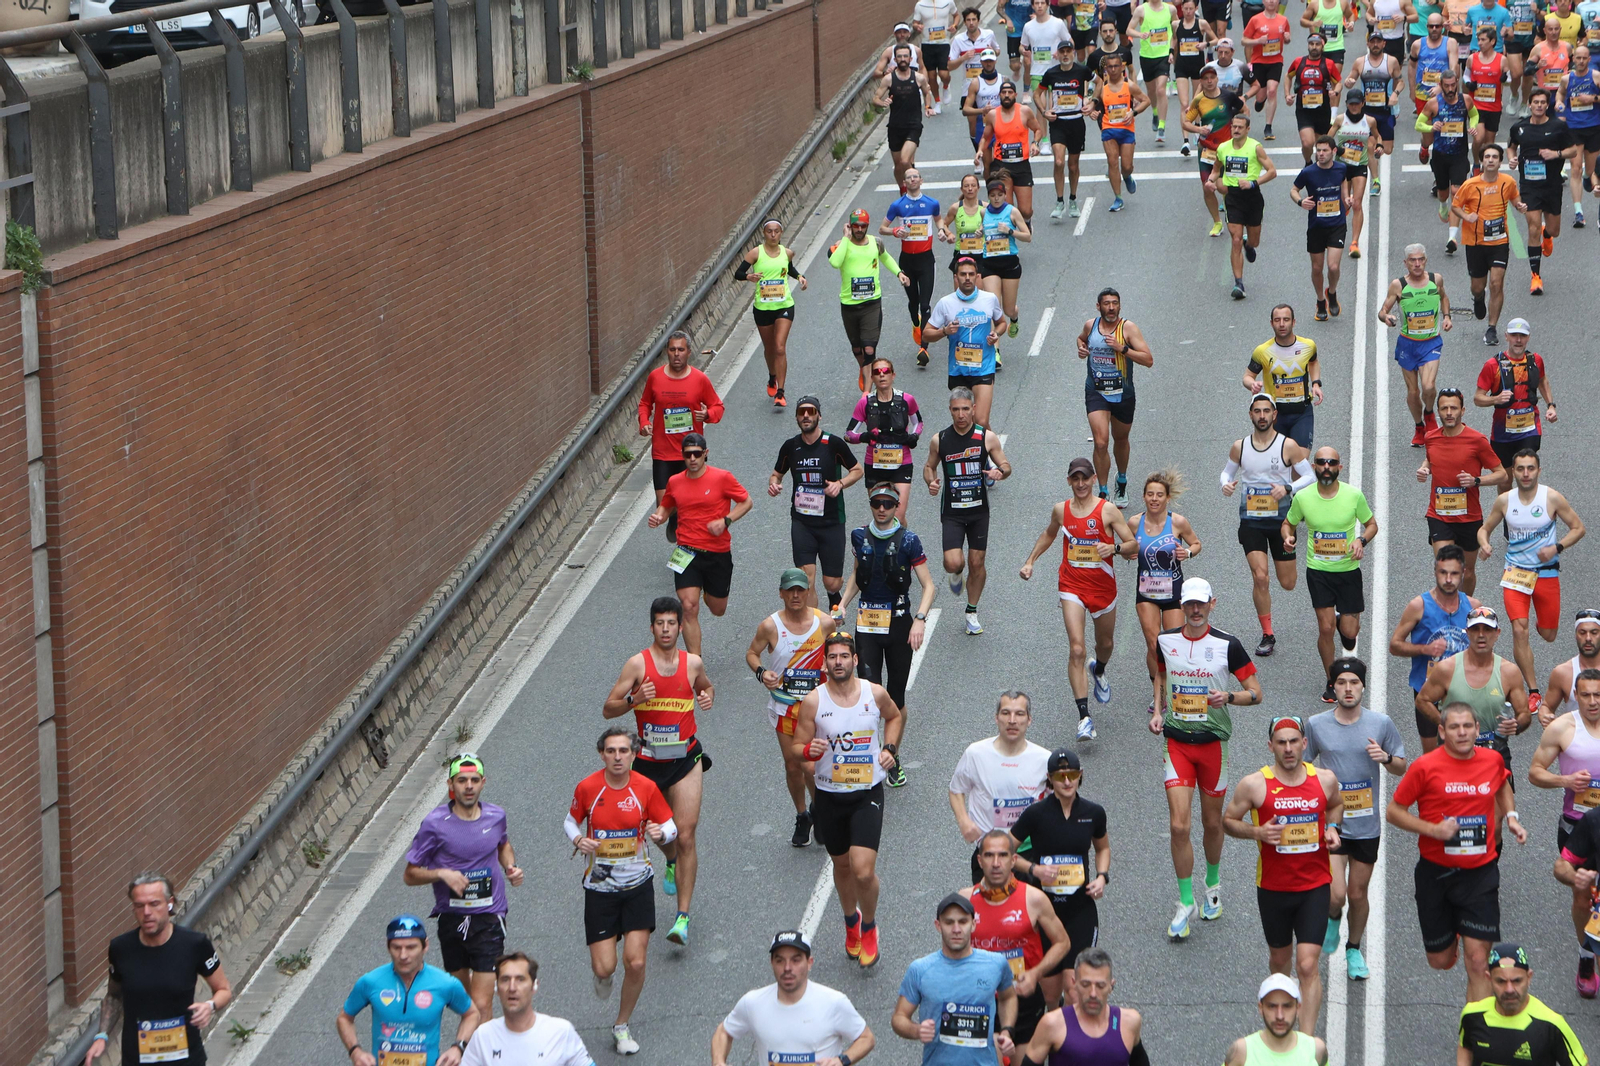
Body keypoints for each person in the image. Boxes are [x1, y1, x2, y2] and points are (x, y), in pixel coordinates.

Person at [1387, 698, 1527, 1004]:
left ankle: (1474, 1041)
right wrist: (1433, 830)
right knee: (1439, 960)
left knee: (1478, 963)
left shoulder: (1491, 761)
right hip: (1436, 873)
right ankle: (1457, 932)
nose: (1462, 733)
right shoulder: (1425, 767)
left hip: (1480, 873)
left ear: (1477, 729)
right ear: (1442, 730)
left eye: (1467, 726)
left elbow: (1502, 784)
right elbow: (1394, 811)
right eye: (1454, 727)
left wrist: (1512, 818)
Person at [1152, 578, 1264, 938]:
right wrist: (1158, 710)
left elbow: (1256, 693)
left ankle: (1212, 885)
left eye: (1201, 604)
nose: (1195, 610)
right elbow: (1160, 673)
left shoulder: (1227, 645)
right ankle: (1185, 901)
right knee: (1179, 826)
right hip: (1177, 743)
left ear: (1212, 604)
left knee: (1212, 824)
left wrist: (1228, 698)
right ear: (1182, 606)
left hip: (1213, 743)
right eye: (1189, 605)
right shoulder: (1165, 640)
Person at [600, 597, 715, 945]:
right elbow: (608, 709)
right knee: (660, 835)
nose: (666, 629)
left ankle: (682, 916)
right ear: (652, 627)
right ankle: (669, 861)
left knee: (686, 833)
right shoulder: (637, 664)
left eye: (671, 623)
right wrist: (634, 700)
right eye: (660, 623)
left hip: (685, 760)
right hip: (647, 764)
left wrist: (708, 696)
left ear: (681, 627)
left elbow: (705, 687)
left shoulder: (692, 663)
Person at [791, 633, 905, 967]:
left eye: (844, 656)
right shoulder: (814, 701)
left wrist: (890, 749)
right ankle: (851, 923)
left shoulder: (874, 693)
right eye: (832, 657)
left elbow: (894, 717)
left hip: (867, 792)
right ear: (824, 662)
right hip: (829, 795)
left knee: (863, 871)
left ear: (855, 661)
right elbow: (798, 748)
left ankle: (869, 926)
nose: (838, 662)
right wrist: (807, 752)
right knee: (842, 865)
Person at [1224, 715, 1342, 1033]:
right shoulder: (1255, 784)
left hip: (1315, 885)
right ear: (1271, 746)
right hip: (1273, 888)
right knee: (1280, 965)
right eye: (1281, 742)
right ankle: (1280, 1024)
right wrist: (1257, 833)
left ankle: (1305, 1040)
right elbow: (1228, 821)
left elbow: (1336, 805)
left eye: (1294, 742)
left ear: (1305, 743)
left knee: (1307, 965)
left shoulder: (1324, 780)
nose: (1288, 749)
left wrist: (1332, 827)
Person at [564, 728, 676, 1055]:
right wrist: (578, 840)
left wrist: (659, 832)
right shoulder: (588, 788)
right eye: (611, 751)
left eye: (623, 751)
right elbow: (570, 821)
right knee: (604, 968)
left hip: (638, 884)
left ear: (633, 755)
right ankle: (604, 974)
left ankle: (622, 1025)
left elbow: (671, 827)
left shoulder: (646, 788)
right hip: (599, 888)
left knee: (636, 962)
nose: (617, 757)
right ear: (602, 754)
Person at [1304, 658, 1409, 982]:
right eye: (1341, 683)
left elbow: (1402, 765)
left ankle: (1353, 948)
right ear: (1333, 688)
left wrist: (1386, 758)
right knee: (1335, 894)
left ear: (1363, 687)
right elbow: (1303, 766)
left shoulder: (1380, 723)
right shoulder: (1317, 724)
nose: (1348, 689)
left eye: (1354, 683)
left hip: (1366, 824)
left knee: (1358, 894)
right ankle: (1333, 917)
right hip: (1332, 823)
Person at [1020, 456, 1138, 741]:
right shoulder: (1061, 510)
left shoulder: (1107, 510)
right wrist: (1030, 561)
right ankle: (1084, 717)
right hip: (1071, 584)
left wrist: (1116, 548)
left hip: (1103, 589)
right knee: (1076, 649)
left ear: (1094, 479)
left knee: (1105, 644)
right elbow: (1049, 535)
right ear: (1069, 481)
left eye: (1086, 478)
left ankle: (1099, 669)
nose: (1081, 483)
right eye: (1076, 478)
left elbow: (1134, 544)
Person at [402, 753, 523, 1024]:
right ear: (451, 785)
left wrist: (511, 867)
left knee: (482, 1003)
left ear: (483, 783)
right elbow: (410, 875)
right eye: (462, 780)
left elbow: (503, 844)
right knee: (464, 1004)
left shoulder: (495, 816)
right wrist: (442, 874)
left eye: (474, 780)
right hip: (452, 918)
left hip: (489, 917)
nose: (468, 786)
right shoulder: (434, 824)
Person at [839, 482, 937, 788]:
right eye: (876, 503)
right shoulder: (858, 535)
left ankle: (892, 753)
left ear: (896, 507)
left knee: (895, 698)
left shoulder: (909, 540)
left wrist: (919, 619)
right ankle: (868, 756)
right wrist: (842, 603)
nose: (881, 509)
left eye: (888, 504)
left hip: (898, 625)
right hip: (866, 625)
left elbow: (929, 586)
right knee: (867, 696)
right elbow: (859, 573)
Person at [86, 873, 232, 1066]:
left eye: (154, 904)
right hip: (137, 1060)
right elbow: (113, 996)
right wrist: (102, 1036)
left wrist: (209, 1006)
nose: (146, 912)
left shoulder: (194, 944)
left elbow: (224, 990)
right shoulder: (121, 948)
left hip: (185, 1059)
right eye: (139, 906)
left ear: (169, 903)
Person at [1479, 450, 1586, 710]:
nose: (1525, 474)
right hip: (1515, 575)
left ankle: (1540, 622)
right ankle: (1533, 690)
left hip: (1546, 574)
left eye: (1530, 468)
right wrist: (1485, 544)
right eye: (1520, 469)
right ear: (1513, 472)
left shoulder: (1551, 498)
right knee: (1519, 629)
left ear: (1538, 470)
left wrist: (1557, 547)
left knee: (1549, 634)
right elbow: (1485, 528)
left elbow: (1578, 528)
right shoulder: (1505, 500)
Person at [1009, 748, 1111, 1000]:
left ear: (1080, 776)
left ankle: (1069, 1038)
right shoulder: (1036, 814)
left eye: (1072, 775)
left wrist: (1101, 877)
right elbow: (1005, 853)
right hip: (1044, 910)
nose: (1067, 781)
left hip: (1080, 909)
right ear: (1050, 778)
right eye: (1060, 776)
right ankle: (1052, 1031)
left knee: (1074, 988)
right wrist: (1034, 869)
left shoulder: (1093, 813)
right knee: (1050, 993)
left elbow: (1103, 847)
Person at [747, 569, 836, 847]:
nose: (796, 596)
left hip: (816, 706)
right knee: (793, 765)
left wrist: (829, 664)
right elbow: (752, 653)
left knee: (811, 766)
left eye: (801, 590)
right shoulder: (770, 626)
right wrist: (762, 673)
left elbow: (838, 651)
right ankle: (802, 815)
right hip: (785, 705)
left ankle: (819, 810)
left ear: (808, 593)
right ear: (781, 593)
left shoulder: (824, 623)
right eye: (790, 591)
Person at [1283, 447, 1380, 701]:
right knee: (1325, 628)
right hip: (1319, 572)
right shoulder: (1303, 498)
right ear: (1314, 467)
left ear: (1340, 467)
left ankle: (1343, 623)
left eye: (1332, 463)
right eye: (1321, 463)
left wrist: (1361, 541)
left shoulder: (1353, 495)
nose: (1326, 467)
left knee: (1350, 633)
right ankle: (1331, 680)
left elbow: (1372, 525)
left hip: (1348, 571)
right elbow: (1288, 523)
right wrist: (1288, 538)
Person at [1223, 393, 1315, 658]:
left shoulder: (1288, 445)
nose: (1262, 416)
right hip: (1251, 521)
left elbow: (1309, 476)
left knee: (1288, 583)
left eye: (1266, 411)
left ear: (1275, 415)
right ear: (1250, 414)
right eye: (1257, 411)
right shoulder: (1240, 446)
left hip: (1281, 522)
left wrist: (1288, 487)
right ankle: (1267, 634)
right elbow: (1227, 472)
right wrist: (1225, 485)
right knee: (1260, 577)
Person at [963, 830, 1073, 1044]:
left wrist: (1035, 974)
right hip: (979, 1000)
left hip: (1023, 997)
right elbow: (952, 951)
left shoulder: (1034, 898)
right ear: (979, 860)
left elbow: (1063, 942)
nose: (996, 863)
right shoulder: (965, 900)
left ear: (1013, 860)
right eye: (989, 856)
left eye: (1003, 855)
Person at [646, 434, 753, 653]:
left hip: (717, 552)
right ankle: (696, 663)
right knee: (688, 606)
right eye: (688, 455)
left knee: (718, 608)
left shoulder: (722, 478)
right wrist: (659, 516)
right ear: (682, 456)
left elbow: (746, 501)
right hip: (686, 551)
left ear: (705, 454)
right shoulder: (675, 482)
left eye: (697, 454)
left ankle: (708, 591)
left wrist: (726, 520)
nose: (692, 459)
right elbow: (666, 505)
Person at [1532, 667, 1600, 995]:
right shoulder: (1563, 727)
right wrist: (1565, 781)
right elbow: (1535, 772)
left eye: (1597, 695)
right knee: (1581, 892)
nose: (1591, 702)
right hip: (1577, 825)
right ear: (1576, 695)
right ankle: (1587, 951)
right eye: (1585, 695)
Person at [712, 930, 874, 1066]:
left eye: (796, 960)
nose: (787, 968)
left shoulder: (833, 1002)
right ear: (772, 963)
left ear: (809, 963)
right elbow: (724, 1031)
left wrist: (842, 1060)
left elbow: (866, 1038)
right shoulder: (753, 1003)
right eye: (780, 960)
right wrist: (719, 1062)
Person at [926, 387, 1013, 635]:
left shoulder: (986, 437)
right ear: (950, 411)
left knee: (977, 561)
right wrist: (930, 481)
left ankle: (971, 611)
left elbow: (1006, 465)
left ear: (973, 409)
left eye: (966, 409)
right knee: (953, 562)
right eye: (956, 410)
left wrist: (1000, 472)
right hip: (952, 511)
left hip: (978, 512)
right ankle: (956, 573)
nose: (961, 414)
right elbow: (929, 467)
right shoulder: (939, 439)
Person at [892, 893, 1018, 1064]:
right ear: (938, 925)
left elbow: (1008, 997)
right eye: (949, 922)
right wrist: (917, 1030)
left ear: (973, 924)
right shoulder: (920, 969)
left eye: (963, 922)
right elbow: (899, 1017)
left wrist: (1007, 1031)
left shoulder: (995, 964)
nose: (956, 929)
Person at [770, 397, 863, 614]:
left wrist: (840, 484)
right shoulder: (791, 447)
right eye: (801, 412)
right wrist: (774, 485)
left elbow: (858, 470)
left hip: (832, 521)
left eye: (811, 412)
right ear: (796, 417)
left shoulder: (833, 444)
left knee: (832, 582)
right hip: (803, 523)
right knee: (806, 578)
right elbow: (777, 474)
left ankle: (833, 595)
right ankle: (815, 630)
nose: (806, 416)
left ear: (818, 415)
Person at [1416, 605, 1532, 774]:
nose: (1481, 635)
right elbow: (1422, 700)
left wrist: (1516, 725)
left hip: (1494, 750)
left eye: (1487, 629)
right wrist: (1447, 725)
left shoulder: (1509, 672)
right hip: (1453, 750)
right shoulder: (1447, 668)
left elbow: (1524, 713)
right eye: (1475, 629)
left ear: (1497, 633)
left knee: (1499, 800)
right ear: (1467, 632)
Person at [951, 691, 1052, 881]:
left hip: (1028, 853)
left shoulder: (1044, 759)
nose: (1012, 720)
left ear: (1029, 720)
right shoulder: (976, 754)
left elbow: (1059, 802)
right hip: (990, 855)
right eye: (1006, 713)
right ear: (996, 718)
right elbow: (956, 790)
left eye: (1019, 714)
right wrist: (964, 821)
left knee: (1029, 909)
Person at [1417, 387, 1506, 595]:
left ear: (1463, 411)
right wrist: (1425, 469)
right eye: (1444, 408)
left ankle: (1465, 608)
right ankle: (1445, 609)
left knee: (1466, 572)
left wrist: (1476, 481)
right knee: (1445, 567)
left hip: (1469, 517)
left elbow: (1501, 474)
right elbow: (1431, 457)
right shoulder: (1431, 437)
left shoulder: (1477, 440)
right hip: (1439, 515)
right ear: (1438, 411)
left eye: (1453, 408)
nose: (1449, 413)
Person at [637, 331, 724, 542]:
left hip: (691, 453)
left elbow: (718, 407)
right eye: (673, 349)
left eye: (681, 350)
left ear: (689, 352)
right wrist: (644, 423)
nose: (677, 354)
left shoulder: (699, 379)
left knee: (692, 504)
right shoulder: (655, 377)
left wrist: (707, 415)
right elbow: (645, 404)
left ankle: (688, 542)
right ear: (667, 352)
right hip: (663, 453)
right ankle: (675, 521)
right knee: (665, 504)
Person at [1391, 546, 1479, 753]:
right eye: (1443, 573)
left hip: (1463, 689)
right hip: (1427, 691)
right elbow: (1395, 645)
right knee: (1433, 756)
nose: (1448, 579)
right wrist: (1424, 649)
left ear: (1463, 574)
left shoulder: (1473, 607)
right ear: (1435, 572)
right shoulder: (1419, 605)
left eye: (1454, 573)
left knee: (1465, 751)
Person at [1077, 288, 1155, 503]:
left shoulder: (1128, 329)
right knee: (1101, 443)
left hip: (1123, 392)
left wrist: (1123, 349)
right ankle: (1103, 492)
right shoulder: (1090, 325)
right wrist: (1081, 348)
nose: (1111, 308)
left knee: (1120, 439)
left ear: (1120, 306)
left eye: (1115, 303)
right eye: (1106, 303)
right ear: (1098, 306)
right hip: (1096, 391)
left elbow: (1148, 360)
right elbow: (1081, 339)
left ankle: (1121, 481)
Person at [1132, 471, 1202, 698]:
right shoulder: (1134, 522)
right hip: (1146, 593)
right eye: (1150, 494)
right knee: (1153, 643)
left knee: (1173, 646)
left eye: (1159, 495)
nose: (1154, 499)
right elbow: (1125, 547)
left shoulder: (1178, 522)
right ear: (1144, 497)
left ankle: (1173, 687)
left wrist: (1188, 553)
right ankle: (1158, 693)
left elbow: (1196, 543)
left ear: (1167, 498)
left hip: (1173, 592)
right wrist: (1127, 554)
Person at [1013, 948, 1149, 1066]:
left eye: (1100, 986)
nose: (1093, 993)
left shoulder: (1129, 1022)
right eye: (1085, 984)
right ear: (1074, 983)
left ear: (1111, 986)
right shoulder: (1052, 1024)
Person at [1377, 243, 1453, 447]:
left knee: (1428, 386)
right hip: (1407, 345)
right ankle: (1419, 426)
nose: (1417, 264)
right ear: (1406, 263)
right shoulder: (1398, 285)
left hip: (1430, 343)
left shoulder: (1436, 279)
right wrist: (1386, 317)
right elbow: (1382, 310)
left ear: (1425, 261)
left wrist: (1446, 316)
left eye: (1421, 259)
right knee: (1413, 392)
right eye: (1413, 260)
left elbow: (1444, 298)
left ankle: (1429, 414)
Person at [1461, 944, 1589, 1064]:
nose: (1509, 989)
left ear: (1529, 978)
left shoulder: (1551, 1025)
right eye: (1501, 981)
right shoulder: (1472, 1015)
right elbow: (1465, 1048)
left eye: (1517, 981)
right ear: (1489, 979)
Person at [830, 210, 912, 392]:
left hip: (872, 303)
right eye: (856, 226)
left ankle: (867, 391)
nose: (859, 230)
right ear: (850, 226)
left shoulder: (876, 242)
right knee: (857, 349)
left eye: (863, 226)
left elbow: (886, 258)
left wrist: (899, 273)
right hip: (849, 304)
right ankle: (864, 370)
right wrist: (845, 238)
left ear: (868, 226)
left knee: (868, 349)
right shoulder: (841, 245)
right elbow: (835, 262)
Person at [1452, 141, 1524, 348]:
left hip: (1499, 241)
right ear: (1482, 161)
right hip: (1475, 242)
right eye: (1487, 157)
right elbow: (1456, 206)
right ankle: (1478, 298)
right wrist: (1467, 215)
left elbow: (1515, 199)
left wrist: (1520, 206)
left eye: (1494, 157)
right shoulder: (1470, 185)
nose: (1491, 160)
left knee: (1497, 283)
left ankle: (1492, 328)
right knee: (1478, 286)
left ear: (1500, 161)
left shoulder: (1508, 182)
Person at [459, 953, 591, 1066]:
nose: (512, 988)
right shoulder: (483, 1036)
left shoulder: (561, 1032)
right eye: (505, 980)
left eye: (520, 980)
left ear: (534, 986)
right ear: (496, 988)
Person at [927, 255, 1010, 431]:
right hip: (958, 369)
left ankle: (992, 456)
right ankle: (975, 455)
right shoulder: (946, 303)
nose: (967, 278)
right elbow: (926, 334)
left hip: (984, 366)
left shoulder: (989, 299)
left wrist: (996, 333)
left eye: (971, 274)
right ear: (956, 277)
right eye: (963, 274)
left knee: (980, 420)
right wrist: (944, 331)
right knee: (964, 421)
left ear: (977, 276)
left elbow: (1002, 323)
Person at [1507, 88, 1577, 293]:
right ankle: (1535, 276)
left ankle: (1548, 234)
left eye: (1542, 102)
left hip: (1552, 184)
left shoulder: (1558, 126)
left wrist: (1555, 153)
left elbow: (1573, 150)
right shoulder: (1519, 128)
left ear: (1547, 105)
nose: (1538, 105)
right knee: (1533, 227)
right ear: (1529, 104)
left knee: (1553, 229)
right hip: (1529, 186)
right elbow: (1511, 146)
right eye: (1535, 102)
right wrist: (1511, 157)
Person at [735, 221, 805, 407]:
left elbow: (789, 268)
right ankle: (772, 377)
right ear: (764, 233)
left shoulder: (787, 252)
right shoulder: (756, 253)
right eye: (769, 232)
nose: (773, 235)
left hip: (784, 305)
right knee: (770, 349)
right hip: (763, 308)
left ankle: (781, 392)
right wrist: (748, 276)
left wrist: (800, 277)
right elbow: (738, 273)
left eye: (776, 231)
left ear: (781, 233)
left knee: (780, 347)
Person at [1473, 318, 1556, 475]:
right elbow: (1478, 398)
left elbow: (1542, 380)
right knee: (1505, 479)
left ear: (1528, 338)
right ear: (1506, 336)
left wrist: (1551, 405)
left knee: (1527, 474)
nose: (1518, 340)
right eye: (1514, 335)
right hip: (1502, 432)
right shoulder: (1492, 365)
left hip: (1530, 429)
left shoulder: (1535, 360)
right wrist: (1495, 399)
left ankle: (1527, 499)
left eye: (1522, 336)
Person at [1210, 113, 1278, 298]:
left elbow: (1272, 172)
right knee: (1236, 239)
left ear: (1247, 129)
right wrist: (1211, 180)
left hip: (1252, 196)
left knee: (1253, 240)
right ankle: (1239, 283)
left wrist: (1253, 183)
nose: (1236, 130)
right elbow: (1216, 169)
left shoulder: (1255, 148)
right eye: (1234, 126)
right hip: (1233, 197)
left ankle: (1250, 245)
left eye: (1240, 127)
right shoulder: (1223, 148)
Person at [847, 357, 924, 520]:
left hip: (901, 463)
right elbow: (849, 433)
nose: (882, 375)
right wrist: (864, 437)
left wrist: (914, 436)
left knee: (898, 515)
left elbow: (918, 422)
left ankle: (903, 544)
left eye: (885, 371)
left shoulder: (906, 400)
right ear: (873, 378)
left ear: (893, 375)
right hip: (875, 464)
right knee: (881, 515)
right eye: (877, 372)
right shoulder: (865, 403)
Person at [883, 169, 943, 363]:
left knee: (925, 304)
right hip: (907, 261)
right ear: (904, 182)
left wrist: (942, 230)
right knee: (914, 303)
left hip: (926, 260)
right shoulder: (898, 205)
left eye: (915, 176)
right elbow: (882, 228)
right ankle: (915, 321)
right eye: (908, 177)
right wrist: (895, 231)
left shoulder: (932, 203)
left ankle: (923, 348)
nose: (912, 179)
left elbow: (938, 218)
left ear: (921, 181)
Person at [1290, 137, 1353, 319]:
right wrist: (1301, 201)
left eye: (1325, 150)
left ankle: (1331, 292)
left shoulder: (1341, 169)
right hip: (1316, 226)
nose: (1321, 154)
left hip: (1337, 224)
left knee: (1333, 267)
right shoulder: (1308, 172)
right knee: (1317, 268)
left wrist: (1347, 199)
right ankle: (1320, 301)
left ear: (1334, 151)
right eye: (1318, 150)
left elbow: (1343, 186)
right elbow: (1293, 190)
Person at [1245, 304, 1322, 448]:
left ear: (1293, 322)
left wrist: (1316, 383)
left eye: (1286, 320)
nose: (1281, 324)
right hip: (1275, 414)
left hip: (1302, 412)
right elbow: (1248, 376)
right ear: (1271, 323)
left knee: (1299, 461)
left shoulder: (1308, 346)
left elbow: (1313, 362)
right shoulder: (1262, 351)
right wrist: (1252, 384)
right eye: (1277, 320)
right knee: (1277, 463)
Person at [1185, 62, 1248, 235]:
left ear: (1217, 79)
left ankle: (1236, 220)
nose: (1209, 81)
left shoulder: (1228, 96)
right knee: (1207, 187)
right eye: (1205, 79)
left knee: (1226, 188)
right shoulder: (1198, 101)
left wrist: (1240, 134)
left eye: (1212, 78)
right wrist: (1198, 130)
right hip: (1206, 150)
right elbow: (1186, 122)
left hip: (1227, 149)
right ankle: (1217, 222)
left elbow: (1244, 111)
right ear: (1201, 82)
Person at [1085, 53, 1151, 211]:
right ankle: (1118, 198)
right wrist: (1092, 112)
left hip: (1126, 129)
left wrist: (1133, 112)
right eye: (1110, 66)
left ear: (1122, 67)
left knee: (1126, 166)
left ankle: (1127, 176)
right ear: (1105, 69)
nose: (1113, 69)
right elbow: (1093, 105)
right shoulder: (1102, 88)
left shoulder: (1129, 85)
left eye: (1116, 66)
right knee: (1112, 161)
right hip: (1108, 128)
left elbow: (1146, 100)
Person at [1037, 40, 1093, 217]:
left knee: (1073, 165)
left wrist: (1092, 102)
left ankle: (1073, 199)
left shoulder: (1081, 70)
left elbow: (1099, 82)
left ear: (1074, 53)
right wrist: (1044, 111)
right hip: (1058, 122)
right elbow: (1037, 94)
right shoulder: (1051, 73)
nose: (1066, 55)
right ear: (1058, 54)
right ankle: (1059, 201)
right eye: (1062, 52)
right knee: (1059, 161)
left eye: (1069, 51)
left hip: (1076, 121)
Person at [1222, 975, 1329, 1066]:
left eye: (1287, 1006)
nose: (1280, 1016)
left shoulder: (1316, 1050)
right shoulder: (1241, 1052)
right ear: (1261, 1008)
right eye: (1272, 1006)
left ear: (1298, 1008)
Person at [979, 81, 1046, 223]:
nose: (1007, 95)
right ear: (999, 95)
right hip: (1001, 166)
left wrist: (1035, 143)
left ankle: (1026, 222)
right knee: (1007, 208)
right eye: (1004, 93)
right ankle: (1009, 236)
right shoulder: (992, 115)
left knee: (1026, 211)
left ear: (1015, 94)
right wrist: (979, 151)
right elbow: (986, 137)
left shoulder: (1024, 111)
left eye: (1010, 92)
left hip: (1021, 164)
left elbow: (1038, 129)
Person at [1424, 67, 1474, 251]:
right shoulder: (1433, 104)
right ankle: (1442, 205)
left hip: (1459, 155)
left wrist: (1473, 126)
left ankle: (1452, 238)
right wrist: (1432, 127)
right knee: (1444, 192)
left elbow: (1474, 115)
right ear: (1441, 86)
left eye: (1454, 85)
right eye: (1447, 86)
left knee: (1457, 191)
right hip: (1440, 155)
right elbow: (1418, 123)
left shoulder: (1465, 100)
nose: (1451, 88)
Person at [876, 43, 937, 190]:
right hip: (895, 126)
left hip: (913, 125)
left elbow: (926, 93)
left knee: (905, 160)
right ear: (895, 60)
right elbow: (875, 98)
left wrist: (928, 107)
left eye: (905, 56)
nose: (903, 59)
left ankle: (914, 187)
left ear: (910, 59)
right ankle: (903, 191)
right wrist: (882, 102)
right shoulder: (889, 79)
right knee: (897, 166)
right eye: (899, 57)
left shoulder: (919, 78)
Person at [1346, 30, 1403, 182]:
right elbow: (1350, 79)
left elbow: (1401, 81)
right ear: (1368, 44)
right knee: (1370, 146)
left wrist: (1395, 93)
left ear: (1384, 44)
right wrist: (1349, 82)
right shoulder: (1360, 62)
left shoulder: (1391, 61)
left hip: (1385, 110)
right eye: (1373, 41)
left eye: (1379, 42)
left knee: (1388, 149)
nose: (1376, 44)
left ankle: (1378, 150)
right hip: (1367, 112)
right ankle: (1375, 181)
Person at [1330, 89, 1378, 256]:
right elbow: (1328, 141)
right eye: (1351, 103)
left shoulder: (1370, 121)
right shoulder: (1340, 119)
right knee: (1343, 203)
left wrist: (1377, 148)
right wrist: (1338, 150)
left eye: (1357, 103)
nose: (1354, 106)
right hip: (1342, 167)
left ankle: (1354, 243)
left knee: (1357, 203)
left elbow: (1376, 138)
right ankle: (1338, 233)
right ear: (1347, 104)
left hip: (1359, 166)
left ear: (1363, 103)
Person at [1286, 34, 1344, 164]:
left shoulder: (1328, 64)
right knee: (1307, 143)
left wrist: (1335, 91)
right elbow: (1288, 76)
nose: (1314, 47)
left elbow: (1339, 82)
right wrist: (1287, 95)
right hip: (1304, 110)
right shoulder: (1298, 62)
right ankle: (1308, 162)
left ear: (1322, 46)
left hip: (1322, 110)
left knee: (1321, 146)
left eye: (1317, 44)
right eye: (1311, 44)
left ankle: (1319, 169)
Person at [1021, 0, 1073, 146]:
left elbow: (1070, 42)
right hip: (1037, 71)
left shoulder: (1057, 23)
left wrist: (1060, 52)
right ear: (1032, 6)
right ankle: (1044, 140)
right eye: (1036, 3)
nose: (1039, 6)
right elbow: (1023, 45)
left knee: (1057, 106)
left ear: (1047, 5)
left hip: (1056, 70)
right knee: (1041, 107)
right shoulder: (1028, 26)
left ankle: (1061, 136)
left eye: (1042, 3)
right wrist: (1023, 51)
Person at [1172, 0, 1219, 156]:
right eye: (1185, 9)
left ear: (1196, 9)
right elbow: (1174, 40)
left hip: (1198, 67)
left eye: (1191, 9)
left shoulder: (1202, 23)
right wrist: (1171, 54)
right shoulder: (1176, 25)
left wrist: (1205, 45)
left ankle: (1198, 130)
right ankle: (1185, 141)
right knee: (1184, 103)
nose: (1188, 11)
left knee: (1196, 101)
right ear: (1182, 9)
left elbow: (1216, 40)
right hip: (1181, 67)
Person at [1561, 44, 1598, 230]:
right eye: (1578, 58)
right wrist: (1559, 104)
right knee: (1574, 168)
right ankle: (1578, 212)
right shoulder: (1566, 79)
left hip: (1594, 127)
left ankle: (1587, 175)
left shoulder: (1596, 76)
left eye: (1584, 58)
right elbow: (1560, 95)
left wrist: (1593, 99)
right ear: (1573, 59)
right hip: (1574, 126)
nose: (1581, 61)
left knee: (1589, 169)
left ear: (1589, 60)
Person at [1129, 0, 1178, 140]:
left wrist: (1171, 50)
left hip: (1163, 55)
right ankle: (1155, 113)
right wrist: (1140, 34)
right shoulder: (1141, 10)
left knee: (1161, 89)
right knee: (1151, 90)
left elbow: (1176, 27)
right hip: (1147, 55)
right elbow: (1129, 30)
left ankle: (1162, 126)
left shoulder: (1170, 9)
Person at [1244, 0, 1293, 138]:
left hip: (1276, 60)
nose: (1271, 2)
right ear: (1263, 2)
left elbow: (1287, 38)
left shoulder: (1283, 20)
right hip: (1259, 61)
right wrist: (1257, 41)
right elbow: (1244, 40)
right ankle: (1260, 101)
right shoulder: (1255, 20)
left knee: (1272, 91)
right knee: (1261, 96)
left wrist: (1287, 38)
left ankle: (1268, 127)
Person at [952, 12, 1001, 146]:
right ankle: (978, 154)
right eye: (968, 20)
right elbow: (949, 65)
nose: (971, 22)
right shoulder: (958, 40)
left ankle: (994, 153)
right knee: (973, 125)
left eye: (974, 19)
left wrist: (993, 51)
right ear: (965, 22)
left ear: (979, 21)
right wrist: (963, 58)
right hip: (969, 87)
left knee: (992, 120)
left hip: (988, 84)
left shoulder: (989, 34)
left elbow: (998, 51)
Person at [1544, 613, 1600, 723]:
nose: (1588, 638)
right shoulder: (1563, 673)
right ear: (1576, 635)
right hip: (1576, 738)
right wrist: (1546, 717)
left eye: (1594, 633)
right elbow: (1547, 706)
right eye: (1582, 633)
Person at [1466, 26, 1509, 163]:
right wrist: (1468, 84)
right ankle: (1476, 164)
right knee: (1479, 138)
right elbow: (1466, 76)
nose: (1480, 43)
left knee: (1489, 142)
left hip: (1494, 106)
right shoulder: (1472, 58)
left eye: (1483, 40)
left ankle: (1486, 168)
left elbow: (1509, 79)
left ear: (1492, 41)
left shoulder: (1501, 59)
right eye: (1478, 40)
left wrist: (1504, 79)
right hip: (1476, 106)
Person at [916, 0, 962, 112]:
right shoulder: (920, 4)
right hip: (927, 43)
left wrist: (954, 25)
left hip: (943, 42)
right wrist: (917, 26)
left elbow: (956, 15)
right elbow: (915, 22)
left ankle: (946, 86)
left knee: (943, 73)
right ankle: (937, 102)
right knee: (931, 76)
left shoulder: (948, 2)